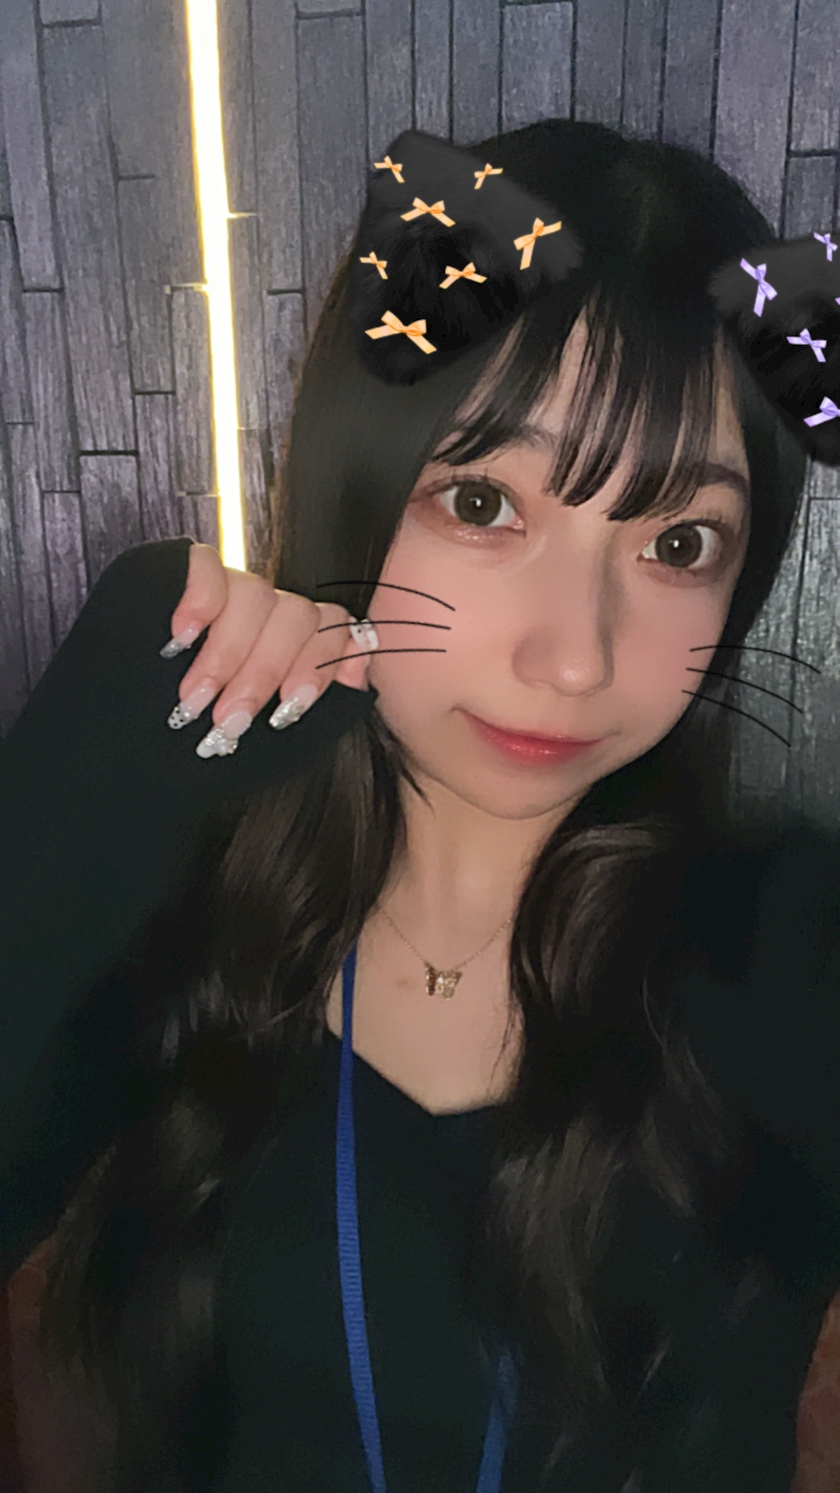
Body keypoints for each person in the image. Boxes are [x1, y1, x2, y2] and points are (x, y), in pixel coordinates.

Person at [1, 117, 839, 1493]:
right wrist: (73, 797)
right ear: (359, 487)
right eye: (484, 503)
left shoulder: (795, 943)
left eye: (679, 542)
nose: (574, 657)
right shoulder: (174, 909)